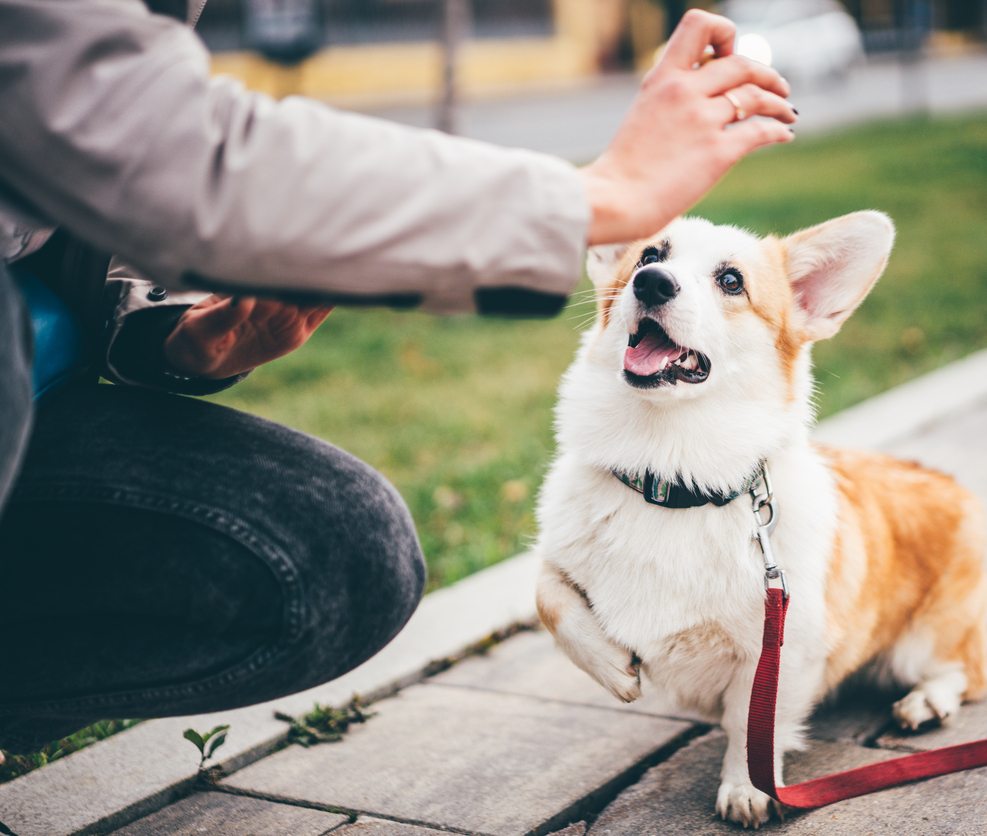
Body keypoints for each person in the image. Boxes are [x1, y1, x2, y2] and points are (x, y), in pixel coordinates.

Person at [0, 0, 796, 757]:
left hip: (38, 386)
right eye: (651, 263)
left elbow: (104, 186)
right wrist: (601, 193)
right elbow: (141, 128)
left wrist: (181, 340)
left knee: (350, 555)